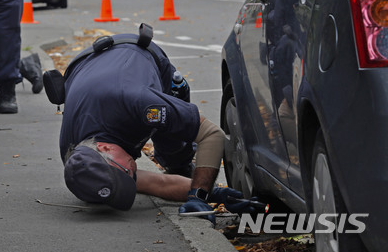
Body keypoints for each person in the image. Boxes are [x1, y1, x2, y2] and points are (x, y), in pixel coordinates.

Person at [51, 24, 259, 221]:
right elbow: (155, 184)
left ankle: (180, 162)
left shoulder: (137, 102)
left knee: (176, 152)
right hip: (85, 69)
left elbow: (212, 134)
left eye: (127, 173)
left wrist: (198, 194)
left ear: (104, 147)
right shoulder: (81, 163)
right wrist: (214, 195)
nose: (132, 172)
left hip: (139, 55)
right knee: (168, 152)